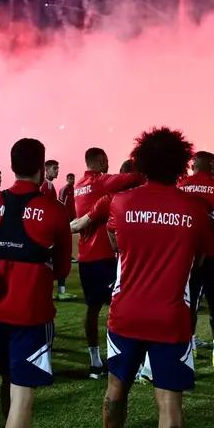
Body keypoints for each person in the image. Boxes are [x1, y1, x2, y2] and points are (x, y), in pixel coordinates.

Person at [95, 127, 203, 428]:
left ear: (141, 162)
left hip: (126, 313)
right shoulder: (194, 209)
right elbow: (200, 259)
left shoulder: (122, 203)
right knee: (170, 402)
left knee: (116, 389)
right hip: (171, 316)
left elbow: (116, 244)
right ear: (182, 164)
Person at [0, 138, 72, 428]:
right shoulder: (53, 210)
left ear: (12, 164)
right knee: (23, 395)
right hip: (31, 314)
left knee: (7, 380)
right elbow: (62, 269)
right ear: (41, 167)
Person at [73, 147, 143, 379]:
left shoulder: (78, 185)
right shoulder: (102, 185)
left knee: (92, 308)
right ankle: (126, 361)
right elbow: (134, 176)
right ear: (101, 160)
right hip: (106, 256)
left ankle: (95, 361)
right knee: (123, 309)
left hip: (86, 256)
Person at [177, 151, 214, 368]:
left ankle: (190, 348)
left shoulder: (181, 185)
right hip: (213, 254)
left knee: (189, 303)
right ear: (209, 165)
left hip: (186, 255)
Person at [41, 159, 77, 301]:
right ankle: (50, 291)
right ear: (46, 169)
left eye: (57, 168)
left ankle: (60, 291)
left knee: (59, 258)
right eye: (54, 168)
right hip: (48, 231)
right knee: (49, 261)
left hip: (53, 229)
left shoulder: (49, 185)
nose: (57, 171)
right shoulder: (45, 186)